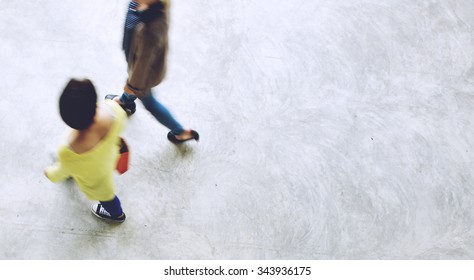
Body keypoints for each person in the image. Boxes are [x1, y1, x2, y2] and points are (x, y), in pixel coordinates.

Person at [107, 0, 199, 144]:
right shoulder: (142, 5)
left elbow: (142, 65)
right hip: (135, 56)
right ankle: (126, 102)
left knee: (149, 103)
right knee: (134, 86)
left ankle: (180, 132)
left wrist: (132, 86)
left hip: (144, 75)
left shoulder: (152, 28)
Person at [45, 79, 127, 223]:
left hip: (97, 178)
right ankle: (115, 212)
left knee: (106, 196)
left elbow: (60, 172)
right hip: (109, 157)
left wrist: (50, 174)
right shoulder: (114, 110)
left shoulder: (69, 151)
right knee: (105, 192)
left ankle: (116, 214)